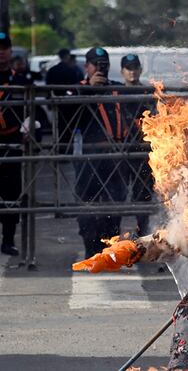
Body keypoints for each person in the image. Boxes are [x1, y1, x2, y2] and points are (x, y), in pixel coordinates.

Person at [73, 47, 130, 258]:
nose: (100, 68)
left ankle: (110, 248)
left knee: (115, 201)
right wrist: (89, 88)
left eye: (103, 64)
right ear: (87, 67)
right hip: (88, 156)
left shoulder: (116, 88)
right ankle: (91, 247)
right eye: (95, 64)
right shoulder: (76, 90)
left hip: (115, 156)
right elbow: (66, 115)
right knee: (87, 202)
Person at [120, 54, 155, 237]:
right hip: (122, 150)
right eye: (128, 68)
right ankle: (113, 234)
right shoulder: (116, 93)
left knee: (143, 194)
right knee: (117, 193)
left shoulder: (148, 93)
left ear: (140, 70)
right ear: (122, 71)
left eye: (135, 67)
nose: (132, 71)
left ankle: (143, 234)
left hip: (143, 150)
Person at [0, 32, 26, 256]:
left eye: (5, 47)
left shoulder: (20, 80)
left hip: (12, 143)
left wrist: (31, 124)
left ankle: (8, 240)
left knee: (11, 195)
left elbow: (35, 111)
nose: (1, 52)